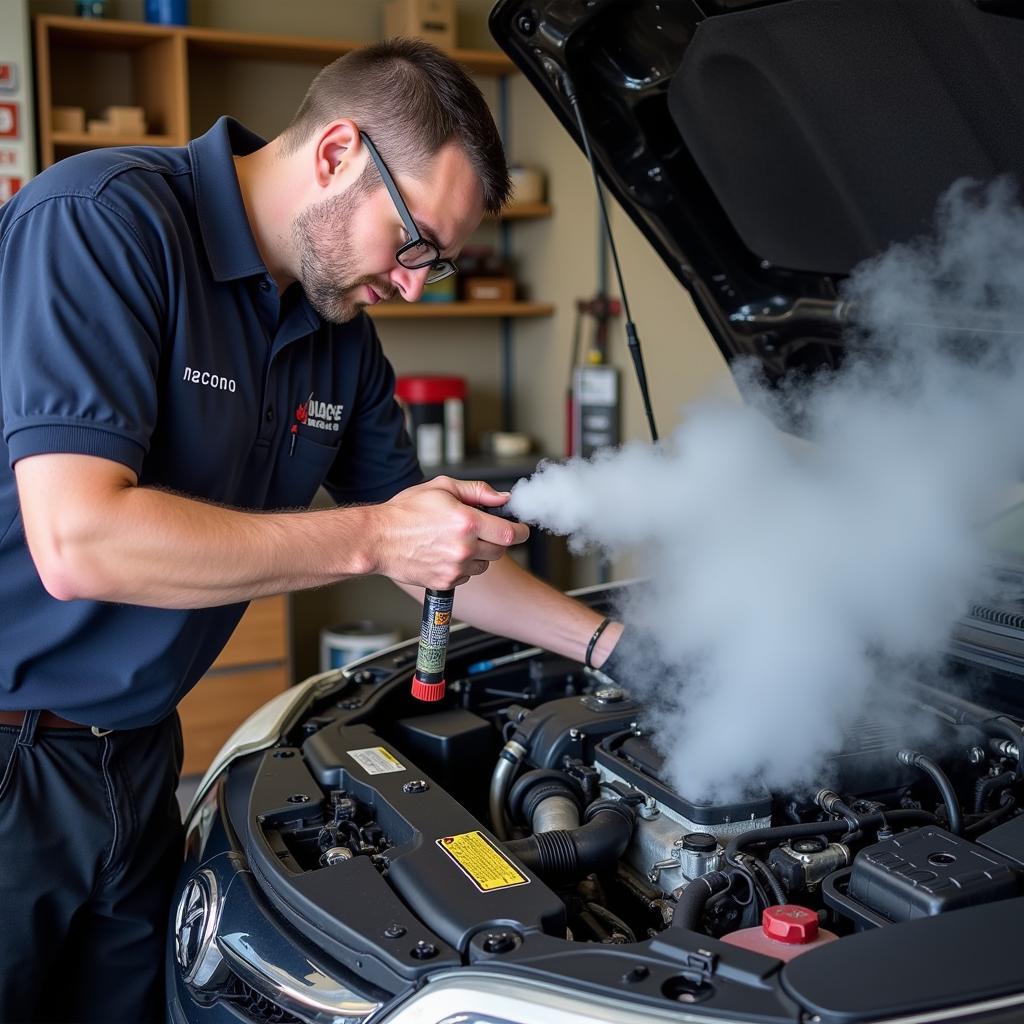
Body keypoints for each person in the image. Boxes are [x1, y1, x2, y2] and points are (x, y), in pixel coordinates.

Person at [0, 37, 623, 1023]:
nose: (416, 283)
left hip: (138, 761)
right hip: (12, 765)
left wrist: (614, 646)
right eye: (414, 241)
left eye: (439, 264)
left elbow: (437, 551)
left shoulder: (337, 337)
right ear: (337, 152)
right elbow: (79, 541)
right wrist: (371, 538)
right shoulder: (101, 222)